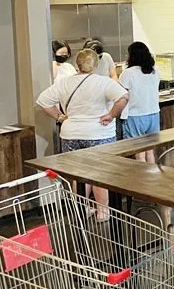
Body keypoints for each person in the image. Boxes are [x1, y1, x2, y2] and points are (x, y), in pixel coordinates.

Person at [36, 48, 129, 221]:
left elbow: (43, 101)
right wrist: (111, 115)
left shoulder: (64, 83)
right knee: (100, 173)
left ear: (77, 64)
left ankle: (81, 210)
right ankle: (102, 212)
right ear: (96, 64)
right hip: (99, 133)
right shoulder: (103, 82)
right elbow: (123, 97)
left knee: (78, 175)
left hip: (71, 134)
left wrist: (60, 117)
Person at [118, 41, 160, 163]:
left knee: (139, 154)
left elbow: (121, 94)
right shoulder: (155, 71)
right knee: (150, 151)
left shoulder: (128, 73)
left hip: (135, 115)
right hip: (153, 114)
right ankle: (153, 174)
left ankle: (141, 176)